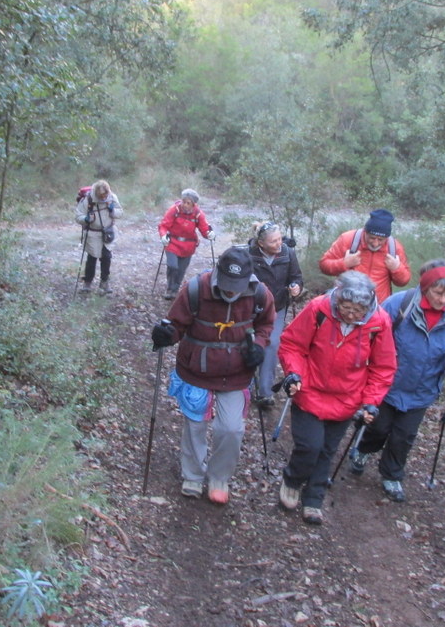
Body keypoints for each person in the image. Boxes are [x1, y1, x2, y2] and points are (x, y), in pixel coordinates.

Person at [150, 246, 276, 505]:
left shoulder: (261, 294)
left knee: (231, 429)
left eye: (237, 285)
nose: (231, 290)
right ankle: (193, 475)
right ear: (218, 272)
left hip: (237, 372)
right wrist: (165, 335)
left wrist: (259, 347)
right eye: (228, 284)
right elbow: (176, 325)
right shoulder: (197, 289)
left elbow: (266, 325)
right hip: (197, 370)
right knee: (195, 426)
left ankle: (219, 477)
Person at [349, 259, 445, 503]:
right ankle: (363, 450)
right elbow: (370, 328)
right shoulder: (401, 304)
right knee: (378, 427)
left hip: (423, 388)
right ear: (425, 288)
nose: (443, 299)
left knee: (404, 436)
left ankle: (392, 475)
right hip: (388, 384)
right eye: (438, 293)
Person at [276, 270, 397, 525]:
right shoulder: (319, 309)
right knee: (310, 445)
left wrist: (371, 401)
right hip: (309, 389)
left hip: (348, 398)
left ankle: (314, 497)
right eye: (346, 307)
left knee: (327, 450)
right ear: (338, 297)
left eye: (358, 310)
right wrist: (294, 374)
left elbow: (383, 367)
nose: (351, 315)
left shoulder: (379, 322)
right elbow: (292, 345)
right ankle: (293, 479)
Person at [247, 221, 303, 406]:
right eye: (273, 242)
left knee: (271, 344)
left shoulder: (288, 253)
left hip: (277, 308)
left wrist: (296, 287)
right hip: (249, 309)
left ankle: (265, 392)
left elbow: (296, 277)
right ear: (261, 243)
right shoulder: (248, 255)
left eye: (280, 239)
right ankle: (243, 386)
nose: (279, 244)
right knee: (248, 343)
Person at [318, 208, 411, 302]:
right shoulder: (347, 239)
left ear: (387, 237)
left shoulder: (395, 248)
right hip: (346, 303)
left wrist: (396, 268)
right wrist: (344, 264)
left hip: (378, 307)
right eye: (372, 238)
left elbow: (403, 282)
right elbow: (323, 265)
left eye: (381, 240)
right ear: (365, 231)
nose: (375, 243)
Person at [157, 189, 215, 299]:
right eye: (184, 201)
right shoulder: (174, 210)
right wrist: (163, 235)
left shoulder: (198, 214)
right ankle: (170, 288)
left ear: (194, 204)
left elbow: (204, 229)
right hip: (172, 243)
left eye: (188, 203)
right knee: (172, 265)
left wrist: (209, 234)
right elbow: (164, 225)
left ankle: (175, 289)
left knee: (181, 270)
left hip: (188, 246)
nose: (185, 205)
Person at [75, 180, 123, 294]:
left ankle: (104, 282)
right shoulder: (88, 199)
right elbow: (78, 216)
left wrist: (112, 210)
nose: (103, 198)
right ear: (96, 193)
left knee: (106, 257)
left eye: (105, 196)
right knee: (92, 257)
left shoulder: (112, 197)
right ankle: (87, 282)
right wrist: (85, 219)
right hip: (93, 233)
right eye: (101, 196)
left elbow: (120, 212)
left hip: (108, 232)